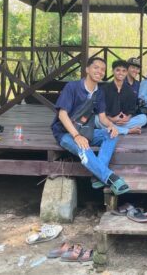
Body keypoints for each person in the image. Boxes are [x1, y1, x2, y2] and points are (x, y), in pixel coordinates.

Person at [51, 56, 129, 195]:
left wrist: (111, 125)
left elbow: (102, 117)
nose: (100, 71)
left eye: (103, 69)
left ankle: (97, 175)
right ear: (87, 69)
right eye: (96, 67)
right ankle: (110, 178)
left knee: (111, 135)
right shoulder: (72, 87)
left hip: (85, 130)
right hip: (66, 133)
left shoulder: (99, 92)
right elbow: (62, 115)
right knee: (83, 146)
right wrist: (76, 136)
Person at [96, 60, 147, 135]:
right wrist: (112, 119)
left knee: (143, 118)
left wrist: (127, 118)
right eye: (118, 70)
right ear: (113, 71)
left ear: (126, 72)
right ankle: (128, 131)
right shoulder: (104, 88)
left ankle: (115, 129)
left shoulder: (130, 90)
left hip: (123, 122)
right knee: (96, 119)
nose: (121, 73)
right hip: (107, 120)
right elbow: (100, 110)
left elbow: (131, 110)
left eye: (124, 71)